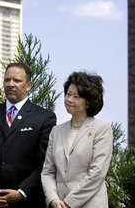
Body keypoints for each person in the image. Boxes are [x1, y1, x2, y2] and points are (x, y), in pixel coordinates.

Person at [0, 62, 57, 207]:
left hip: (27, 202)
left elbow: (44, 164)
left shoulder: (44, 118)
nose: (11, 84)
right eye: (7, 80)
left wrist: (22, 192)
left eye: (17, 80)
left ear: (29, 85)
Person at [41, 72, 113, 208]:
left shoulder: (102, 130)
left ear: (88, 102)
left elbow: (97, 173)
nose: (69, 99)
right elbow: (47, 172)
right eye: (68, 94)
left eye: (76, 96)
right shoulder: (56, 131)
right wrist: (52, 199)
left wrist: (68, 203)